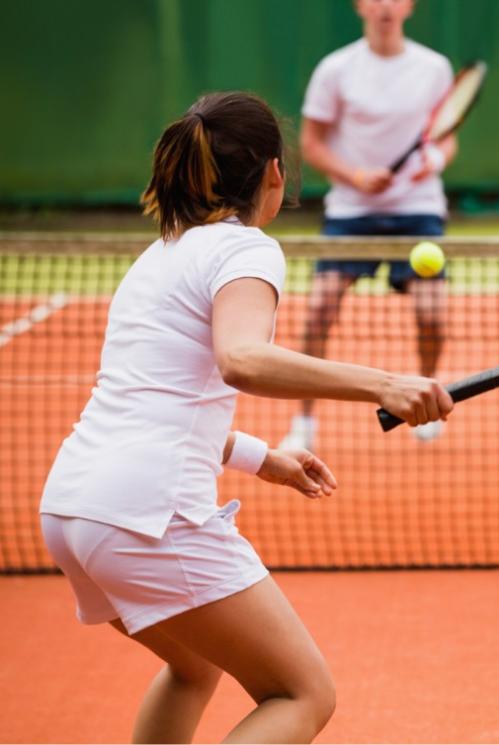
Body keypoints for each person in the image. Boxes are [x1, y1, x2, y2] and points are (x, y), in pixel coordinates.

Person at [39, 92, 452, 744]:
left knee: (193, 666)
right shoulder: (246, 250)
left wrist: (264, 457)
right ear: (274, 174)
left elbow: (157, 401)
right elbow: (241, 359)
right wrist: (386, 383)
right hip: (148, 515)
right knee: (300, 692)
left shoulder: (160, 256)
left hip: (72, 509)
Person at [280, 0, 457, 450]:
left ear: (409, 6)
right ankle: (303, 422)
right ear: (360, 6)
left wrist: (433, 160)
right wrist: (356, 176)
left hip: (418, 211)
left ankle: (427, 394)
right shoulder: (336, 69)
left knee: (432, 315)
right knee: (319, 311)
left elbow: (445, 133)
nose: (385, 5)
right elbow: (312, 143)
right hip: (351, 213)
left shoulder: (433, 67)